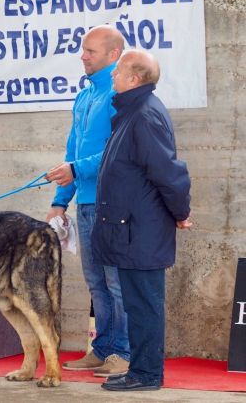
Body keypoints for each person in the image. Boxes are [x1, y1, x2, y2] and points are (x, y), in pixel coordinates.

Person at [93, 49, 192, 391]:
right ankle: (140, 369)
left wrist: (181, 212)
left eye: (117, 70)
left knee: (144, 306)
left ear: (133, 79)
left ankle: (147, 375)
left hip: (140, 231)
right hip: (131, 230)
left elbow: (169, 173)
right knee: (136, 305)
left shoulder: (144, 116)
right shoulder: (131, 112)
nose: (112, 75)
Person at [45, 25, 130, 377]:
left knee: (116, 282)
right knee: (96, 282)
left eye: (90, 51)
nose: (83, 56)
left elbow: (118, 153)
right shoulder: (84, 96)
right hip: (85, 205)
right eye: (83, 50)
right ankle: (104, 348)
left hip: (114, 205)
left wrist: (75, 168)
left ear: (113, 55)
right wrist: (60, 202)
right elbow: (72, 152)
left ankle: (123, 354)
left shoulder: (120, 92)